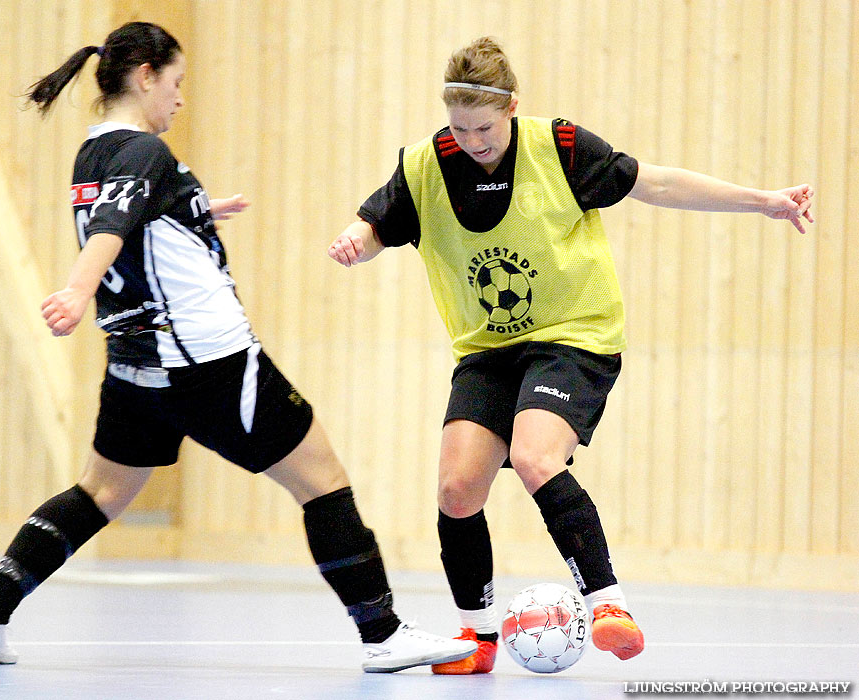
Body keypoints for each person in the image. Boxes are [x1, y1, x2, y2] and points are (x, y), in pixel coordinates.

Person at [0, 22, 476, 674]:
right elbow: (113, 231)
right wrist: (75, 290)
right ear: (145, 75)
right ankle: (383, 633)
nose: (179, 99)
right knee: (322, 481)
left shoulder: (91, 155)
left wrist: (193, 208)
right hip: (211, 363)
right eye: (175, 84)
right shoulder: (145, 152)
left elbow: (133, 218)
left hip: (135, 365)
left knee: (101, 492)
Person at [328, 36, 814, 674]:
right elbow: (378, 223)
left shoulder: (558, 148)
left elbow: (657, 184)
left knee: (534, 454)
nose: (473, 140)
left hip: (573, 336)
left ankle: (608, 603)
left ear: (512, 109)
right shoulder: (423, 166)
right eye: (459, 127)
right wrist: (355, 242)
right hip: (488, 350)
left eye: (485, 127)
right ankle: (476, 641)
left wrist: (764, 201)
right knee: (456, 489)